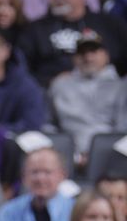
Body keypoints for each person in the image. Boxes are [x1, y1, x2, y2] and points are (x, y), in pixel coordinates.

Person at [18, 0, 127, 86]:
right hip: (53, 97)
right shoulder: (34, 31)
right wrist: (51, 81)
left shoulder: (110, 25)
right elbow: (22, 75)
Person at [48, 28, 125, 159]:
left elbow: (123, 130)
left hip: (110, 155)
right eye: (82, 53)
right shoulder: (60, 85)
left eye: (93, 51)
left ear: (106, 55)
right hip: (66, 154)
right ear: (74, 58)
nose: (88, 58)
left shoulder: (121, 87)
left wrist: (98, 153)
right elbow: (48, 125)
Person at [0, 148, 75, 221]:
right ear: (24, 177)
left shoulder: (76, 212)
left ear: (62, 176)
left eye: (47, 172)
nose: (40, 178)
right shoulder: (7, 212)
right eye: (34, 172)